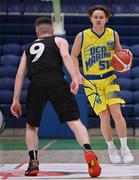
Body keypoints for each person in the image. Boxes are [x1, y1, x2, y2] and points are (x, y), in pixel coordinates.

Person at [10, 17, 101, 177]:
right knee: (74, 121)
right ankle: (88, 150)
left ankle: (33, 163)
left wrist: (15, 100)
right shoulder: (59, 41)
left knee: (32, 126)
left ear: (37, 32)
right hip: (57, 81)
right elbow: (66, 57)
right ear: (51, 31)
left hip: (36, 83)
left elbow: (19, 74)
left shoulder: (28, 48)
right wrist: (74, 77)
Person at [71, 5, 134, 164]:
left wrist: (125, 61)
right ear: (91, 18)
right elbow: (73, 55)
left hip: (109, 78)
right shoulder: (82, 36)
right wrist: (77, 74)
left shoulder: (113, 34)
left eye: (101, 17)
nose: (98, 19)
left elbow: (119, 55)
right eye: (95, 17)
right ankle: (111, 147)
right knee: (104, 116)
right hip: (92, 82)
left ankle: (125, 148)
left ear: (106, 19)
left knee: (117, 112)